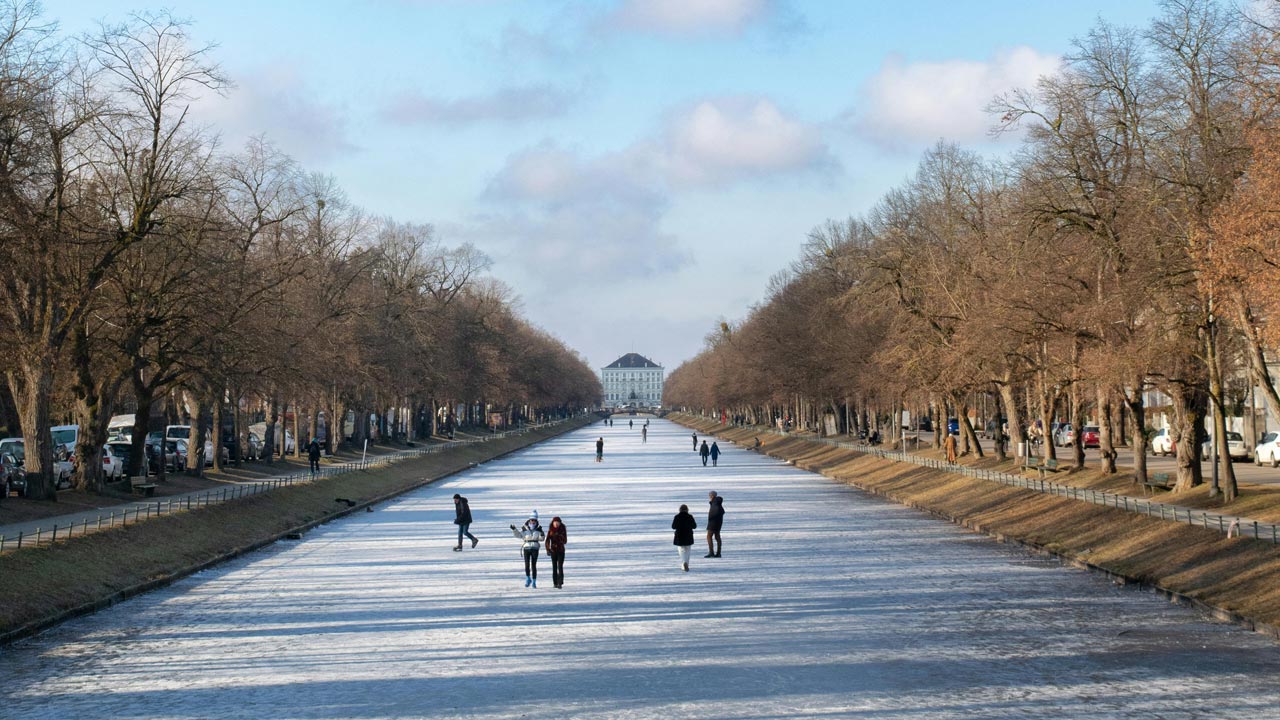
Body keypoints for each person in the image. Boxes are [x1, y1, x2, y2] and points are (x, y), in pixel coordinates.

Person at [511, 511, 545, 587]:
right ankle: (528, 578)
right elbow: (519, 535)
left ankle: (534, 581)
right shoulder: (525, 528)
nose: (533, 521)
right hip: (526, 547)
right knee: (527, 564)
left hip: (535, 548)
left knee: (533, 565)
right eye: (532, 520)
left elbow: (541, 539)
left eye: (534, 520)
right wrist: (514, 529)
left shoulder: (539, 528)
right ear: (529, 520)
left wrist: (542, 535)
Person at [672, 504, 697, 571]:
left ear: (680, 510)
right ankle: (686, 564)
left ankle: (684, 563)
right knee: (688, 551)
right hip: (688, 535)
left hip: (679, 536)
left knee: (681, 551)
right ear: (687, 510)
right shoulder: (690, 516)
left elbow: (673, 526)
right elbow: (694, 526)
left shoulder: (677, 517)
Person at [545, 516, 567, 588]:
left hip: (561, 550)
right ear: (553, 523)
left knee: (560, 566)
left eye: (558, 522)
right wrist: (548, 549)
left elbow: (565, 541)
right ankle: (555, 583)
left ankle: (560, 582)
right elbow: (547, 540)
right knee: (554, 567)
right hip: (553, 550)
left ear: (560, 523)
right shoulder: (550, 530)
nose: (556, 524)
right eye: (555, 522)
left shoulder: (563, 530)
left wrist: (560, 536)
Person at [705, 491, 724, 558]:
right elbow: (722, 512)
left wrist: (712, 519)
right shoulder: (716, 503)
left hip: (713, 523)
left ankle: (711, 552)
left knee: (709, 536)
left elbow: (716, 512)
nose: (709, 497)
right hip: (718, 523)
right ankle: (718, 553)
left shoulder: (715, 503)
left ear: (712, 496)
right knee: (717, 536)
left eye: (710, 495)